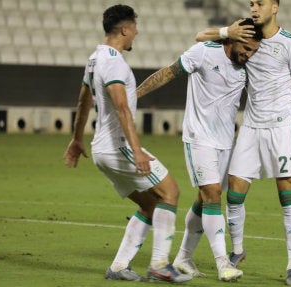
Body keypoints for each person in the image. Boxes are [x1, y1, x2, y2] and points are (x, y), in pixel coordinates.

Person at [195, 0, 291, 285]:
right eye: (252, 3)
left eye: (260, 3)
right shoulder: (243, 34)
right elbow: (200, 37)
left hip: (283, 128)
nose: (254, 8)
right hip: (252, 126)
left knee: (287, 192)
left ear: (275, 7)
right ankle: (237, 250)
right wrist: (226, 31)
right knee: (234, 191)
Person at [62, 4, 191, 283]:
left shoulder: (95, 58)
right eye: (134, 27)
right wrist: (137, 151)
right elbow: (122, 109)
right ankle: (159, 265)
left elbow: (83, 99)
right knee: (170, 192)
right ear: (124, 29)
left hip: (101, 150)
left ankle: (119, 267)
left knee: (150, 204)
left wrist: (76, 138)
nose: (137, 32)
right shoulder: (114, 62)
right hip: (118, 147)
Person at [136, 18, 263, 281]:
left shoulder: (246, 66)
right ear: (233, 38)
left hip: (226, 141)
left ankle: (183, 257)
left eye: (254, 51)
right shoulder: (204, 52)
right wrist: (134, 95)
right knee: (213, 195)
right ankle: (223, 264)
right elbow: (169, 72)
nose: (249, 55)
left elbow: (261, 96)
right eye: (247, 48)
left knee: (204, 199)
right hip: (199, 138)